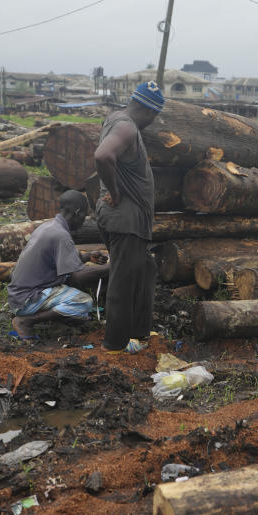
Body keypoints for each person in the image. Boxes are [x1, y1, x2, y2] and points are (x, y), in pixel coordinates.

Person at [93, 81, 162, 354]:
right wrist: (115, 192)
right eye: (154, 117)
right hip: (125, 219)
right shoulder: (126, 127)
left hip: (131, 220)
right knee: (122, 280)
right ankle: (114, 346)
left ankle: (138, 332)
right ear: (148, 110)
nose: (152, 122)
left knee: (145, 269)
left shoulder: (116, 120)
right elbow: (102, 156)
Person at [6, 190, 109, 340]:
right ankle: (26, 321)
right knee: (83, 302)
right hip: (28, 300)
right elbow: (79, 276)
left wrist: (86, 256)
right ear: (78, 212)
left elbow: (62, 258)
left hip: (18, 296)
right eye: (84, 215)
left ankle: (53, 319)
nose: (83, 220)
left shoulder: (49, 226)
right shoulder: (61, 235)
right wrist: (111, 267)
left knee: (74, 299)